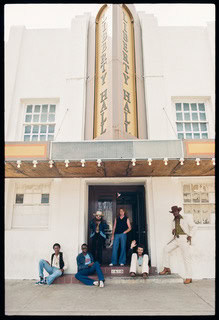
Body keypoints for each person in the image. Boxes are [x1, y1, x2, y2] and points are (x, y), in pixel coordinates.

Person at [159, 205, 197, 284]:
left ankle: (189, 277)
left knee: (186, 258)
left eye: (176, 211)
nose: (174, 213)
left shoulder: (185, 218)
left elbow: (194, 227)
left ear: (178, 211)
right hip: (176, 239)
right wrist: (173, 231)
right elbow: (174, 230)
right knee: (166, 249)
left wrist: (190, 236)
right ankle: (166, 268)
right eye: (173, 212)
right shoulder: (173, 221)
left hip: (184, 239)